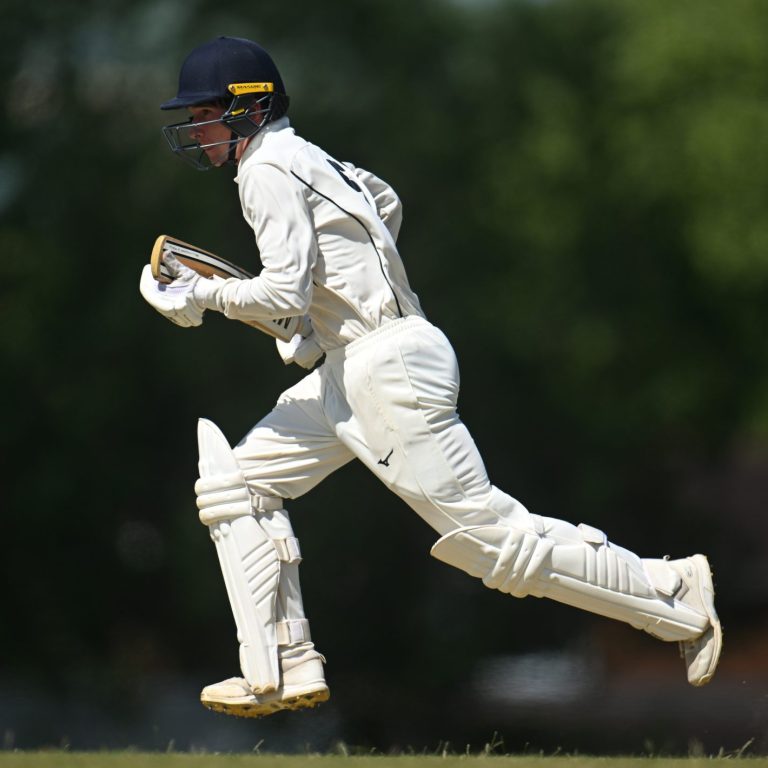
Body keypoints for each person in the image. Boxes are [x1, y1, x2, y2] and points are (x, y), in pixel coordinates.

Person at [140, 36, 722, 719]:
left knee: (489, 541)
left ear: (249, 108)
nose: (197, 131)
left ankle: (670, 593)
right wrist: (330, 314)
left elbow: (281, 293)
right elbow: (382, 205)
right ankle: (284, 662)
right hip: (353, 364)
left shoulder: (265, 169)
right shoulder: (316, 159)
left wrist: (201, 297)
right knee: (237, 484)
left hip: (385, 368)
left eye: (206, 113)